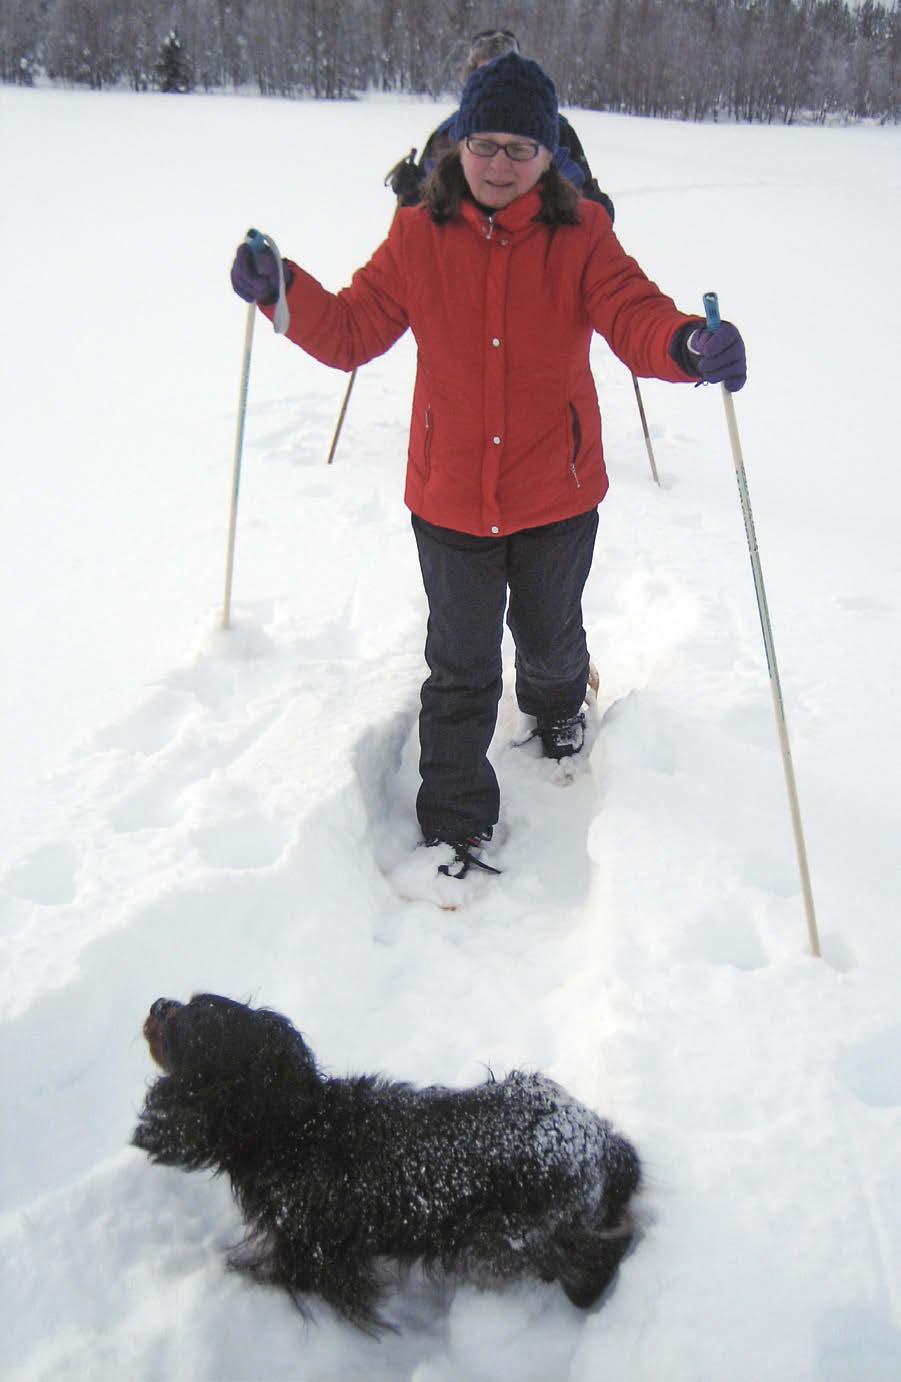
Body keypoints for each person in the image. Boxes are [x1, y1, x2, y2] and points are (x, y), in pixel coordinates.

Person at [231, 53, 747, 880]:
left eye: (520, 148)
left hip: (557, 488)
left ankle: (554, 711)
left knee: (549, 640)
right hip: (449, 499)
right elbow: (353, 331)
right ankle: (456, 822)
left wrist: (689, 344)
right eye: (485, 144)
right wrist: (279, 290)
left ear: (548, 157)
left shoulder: (582, 234)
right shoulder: (416, 234)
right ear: (456, 146)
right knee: (461, 667)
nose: (500, 164)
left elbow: (634, 315)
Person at [385, 28, 616, 221]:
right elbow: (428, 208)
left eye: (503, 70)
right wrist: (410, 191)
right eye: (484, 74)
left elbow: (578, 202)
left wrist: (594, 212)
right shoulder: (447, 134)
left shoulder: (554, 131)